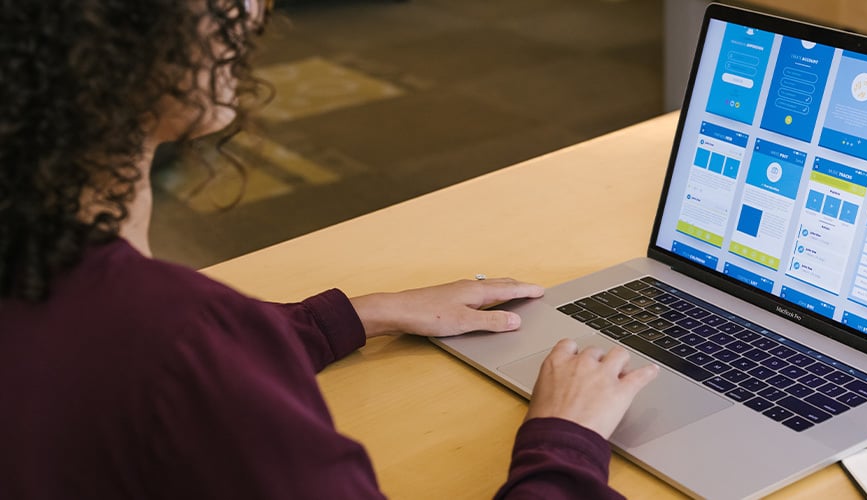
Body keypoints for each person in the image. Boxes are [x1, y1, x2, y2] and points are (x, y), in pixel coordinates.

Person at [0, 1, 659, 499]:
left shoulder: (47, 263)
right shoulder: (183, 341)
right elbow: (175, 356)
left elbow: (124, 354)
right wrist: (565, 442)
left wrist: (357, 315)